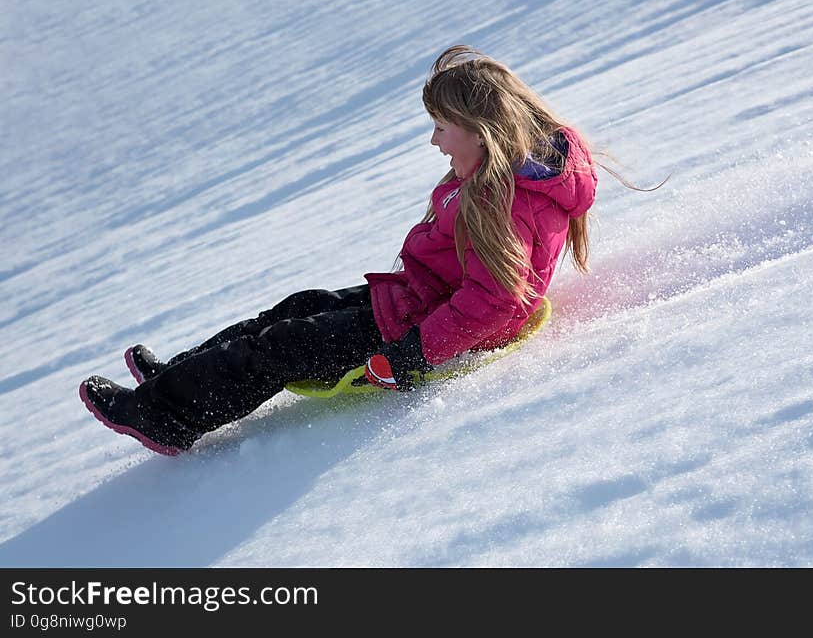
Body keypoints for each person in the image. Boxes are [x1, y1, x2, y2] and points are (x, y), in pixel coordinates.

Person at [79, 45, 598, 456]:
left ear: (484, 134)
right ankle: (178, 375)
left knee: (280, 346)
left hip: (419, 329)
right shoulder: (510, 176)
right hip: (420, 300)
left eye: (442, 128)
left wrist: (413, 355)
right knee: (298, 307)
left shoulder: (501, 201)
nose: (434, 142)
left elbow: (494, 303)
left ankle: (164, 417)